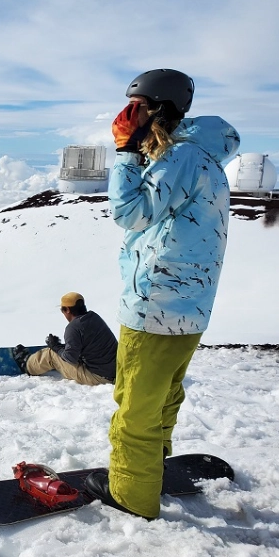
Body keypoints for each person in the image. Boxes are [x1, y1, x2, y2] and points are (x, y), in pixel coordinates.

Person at [85, 69, 240, 520]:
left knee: (134, 405)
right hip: (188, 307)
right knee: (163, 395)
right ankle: (149, 463)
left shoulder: (183, 157)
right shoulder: (205, 159)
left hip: (154, 305)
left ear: (156, 110)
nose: (130, 119)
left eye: (137, 110)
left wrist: (126, 152)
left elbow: (131, 213)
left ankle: (132, 495)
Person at [14, 292, 117, 385]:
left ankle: (27, 365)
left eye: (62, 309)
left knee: (51, 354)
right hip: (115, 370)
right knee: (62, 350)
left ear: (67, 310)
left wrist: (55, 347)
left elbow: (70, 358)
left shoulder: (73, 327)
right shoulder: (94, 317)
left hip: (99, 377)